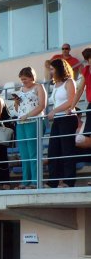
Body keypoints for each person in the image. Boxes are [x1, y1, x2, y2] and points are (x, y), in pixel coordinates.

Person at [13, 67, 47, 189]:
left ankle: (35, 181)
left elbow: (42, 106)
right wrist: (16, 102)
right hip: (21, 123)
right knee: (24, 153)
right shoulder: (21, 89)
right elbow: (18, 110)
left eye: (25, 79)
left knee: (33, 152)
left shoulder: (39, 87)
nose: (23, 82)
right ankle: (25, 180)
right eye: (22, 80)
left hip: (34, 121)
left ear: (32, 77)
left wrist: (27, 116)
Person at [47, 58, 77, 188]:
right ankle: (53, 181)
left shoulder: (69, 82)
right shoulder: (56, 84)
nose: (51, 72)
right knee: (53, 150)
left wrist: (54, 110)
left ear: (59, 69)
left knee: (67, 150)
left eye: (52, 69)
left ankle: (69, 181)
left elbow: (71, 101)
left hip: (68, 118)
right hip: (58, 119)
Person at [73, 48, 91, 139]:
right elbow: (80, 89)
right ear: (87, 60)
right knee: (87, 135)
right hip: (90, 105)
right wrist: (72, 107)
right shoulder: (86, 70)